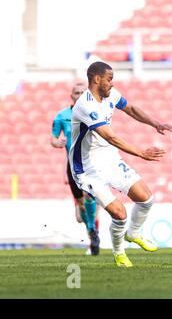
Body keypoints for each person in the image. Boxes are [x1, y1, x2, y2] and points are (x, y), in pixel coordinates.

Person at [69, 61, 172, 267]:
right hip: (87, 169)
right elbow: (110, 137)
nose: (112, 83)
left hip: (109, 158)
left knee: (146, 199)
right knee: (120, 213)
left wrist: (155, 124)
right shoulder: (85, 105)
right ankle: (119, 253)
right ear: (97, 79)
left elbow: (132, 109)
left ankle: (133, 233)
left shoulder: (111, 94)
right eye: (109, 79)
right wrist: (141, 153)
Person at [51, 83, 100, 255]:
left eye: (82, 93)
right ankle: (91, 231)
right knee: (80, 213)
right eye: (76, 93)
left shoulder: (94, 113)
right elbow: (53, 139)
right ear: (71, 96)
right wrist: (58, 143)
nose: (79, 95)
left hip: (91, 163)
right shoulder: (62, 116)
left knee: (90, 195)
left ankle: (94, 233)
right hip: (72, 165)